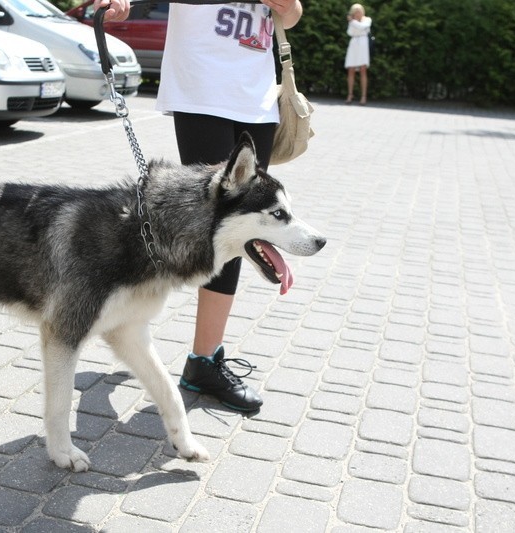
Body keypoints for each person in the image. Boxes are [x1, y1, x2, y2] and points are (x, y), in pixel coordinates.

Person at [97, 0, 303, 412]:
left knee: (235, 230)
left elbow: (291, 15)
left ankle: (202, 361)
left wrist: (286, 6)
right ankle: (133, 324)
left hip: (258, 99)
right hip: (203, 90)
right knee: (199, 225)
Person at [344, 3, 372, 105]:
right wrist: (354, 23)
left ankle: (363, 96)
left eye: (359, 11)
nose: (357, 14)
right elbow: (350, 32)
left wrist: (352, 21)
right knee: (351, 70)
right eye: (355, 12)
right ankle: (350, 94)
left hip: (363, 45)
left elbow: (363, 27)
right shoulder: (353, 22)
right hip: (354, 44)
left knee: (363, 69)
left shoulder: (367, 19)